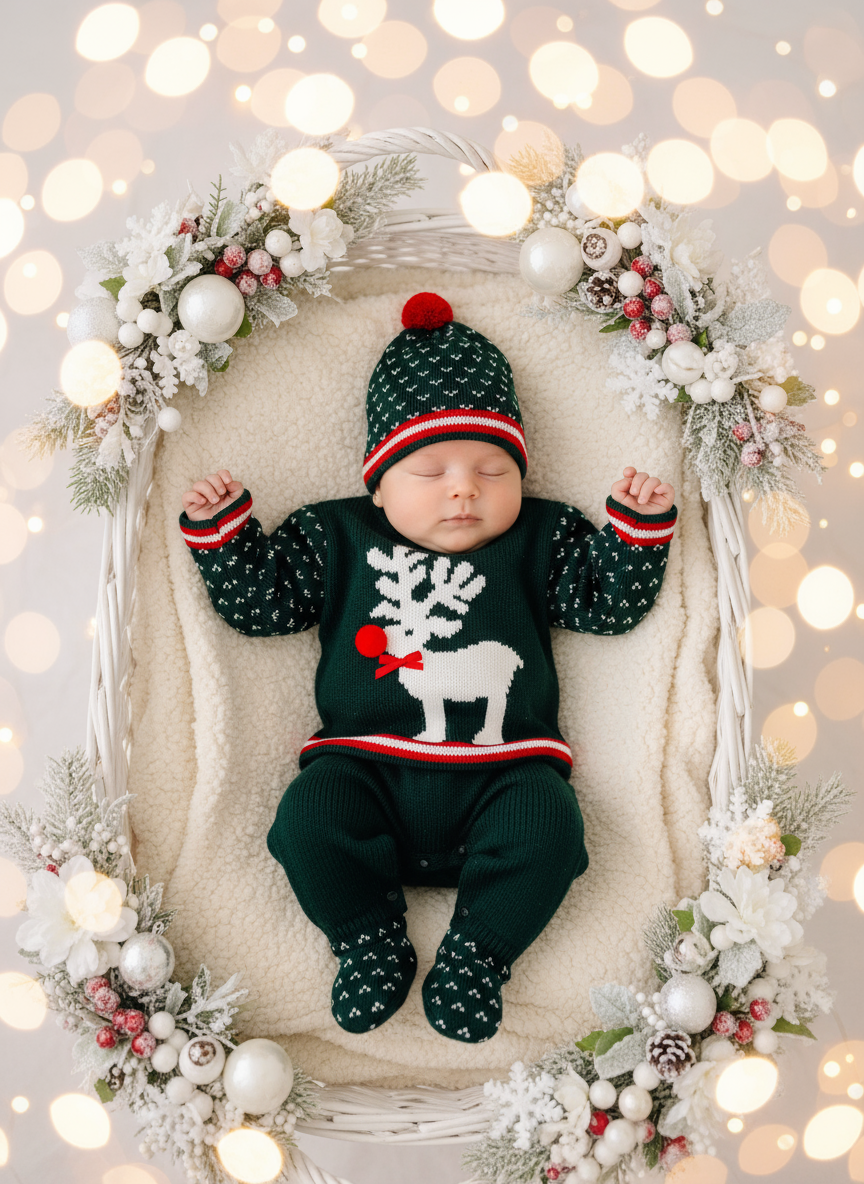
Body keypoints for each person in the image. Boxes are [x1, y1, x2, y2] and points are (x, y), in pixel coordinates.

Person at [179, 292, 677, 1043]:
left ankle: (479, 954)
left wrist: (633, 534)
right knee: (306, 821)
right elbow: (264, 608)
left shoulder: (542, 535)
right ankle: (366, 938)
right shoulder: (337, 534)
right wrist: (226, 536)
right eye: (431, 468)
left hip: (504, 766)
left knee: (553, 830)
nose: (463, 488)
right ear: (377, 483)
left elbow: (606, 605)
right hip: (363, 768)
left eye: (492, 467)